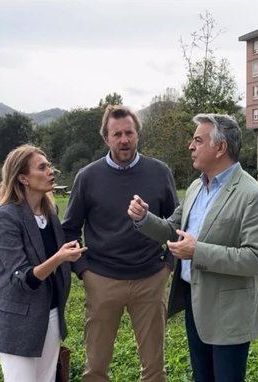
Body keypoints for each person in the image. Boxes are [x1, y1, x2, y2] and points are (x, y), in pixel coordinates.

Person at [128, 113, 258, 382]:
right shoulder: (196, 187)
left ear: (220, 148)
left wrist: (198, 252)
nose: (190, 146)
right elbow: (172, 230)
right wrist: (143, 218)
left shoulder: (253, 196)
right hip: (195, 304)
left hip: (229, 312)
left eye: (198, 140)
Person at [62, 104, 178, 382]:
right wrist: (84, 270)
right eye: (117, 134)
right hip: (102, 279)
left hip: (150, 278)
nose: (124, 140)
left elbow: (177, 224)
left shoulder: (160, 172)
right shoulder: (87, 177)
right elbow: (69, 229)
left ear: (138, 134)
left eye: (129, 133)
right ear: (106, 139)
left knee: (154, 368)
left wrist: (168, 265)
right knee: (96, 367)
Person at [0, 144, 87, 382]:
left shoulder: (49, 211)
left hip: (50, 315)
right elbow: (23, 278)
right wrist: (59, 258)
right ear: (23, 178)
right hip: (17, 322)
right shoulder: (6, 217)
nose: (51, 171)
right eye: (42, 167)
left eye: (49, 165)